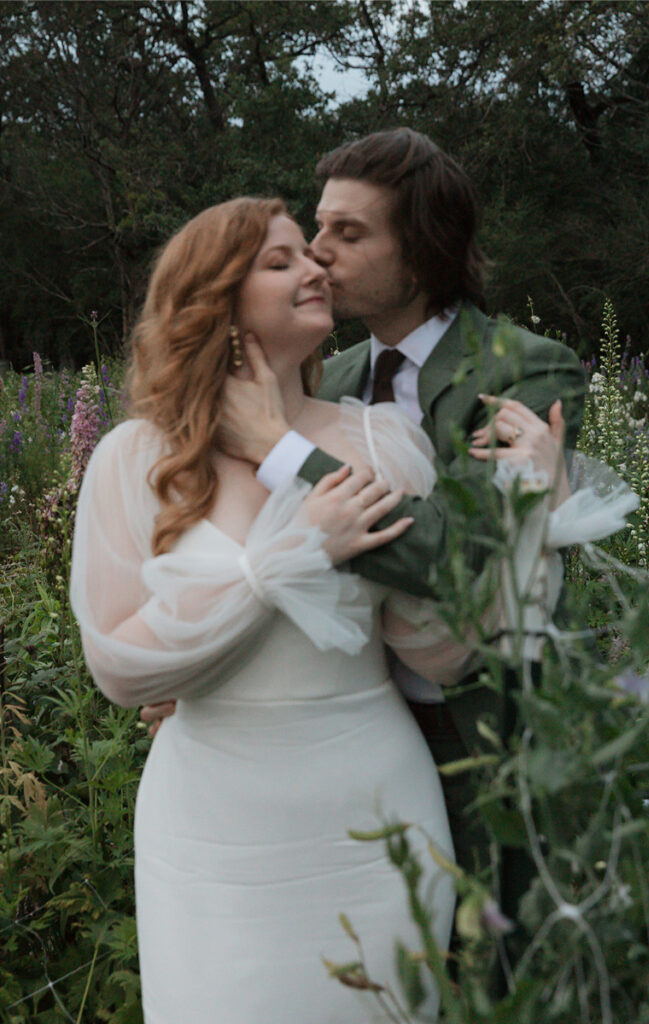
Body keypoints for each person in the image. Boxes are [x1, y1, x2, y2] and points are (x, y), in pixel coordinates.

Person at [142, 129, 587, 930]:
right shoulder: (331, 376)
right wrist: (211, 672)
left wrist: (281, 451)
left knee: (500, 970)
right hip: (347, 741)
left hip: (491, 737)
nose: (317, 255)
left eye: (349, 234)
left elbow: (457, 561)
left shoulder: (521, 368)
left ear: (419, 251)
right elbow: (268, 554)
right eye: (317, 229)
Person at [71, 197, 476, 1023]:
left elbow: (444, 653)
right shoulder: (134, 459)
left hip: (375, 810)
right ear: (215, 299)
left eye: (312, 256)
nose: (316, 269)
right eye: (281, 260)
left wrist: (455, 547)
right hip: (212, 833)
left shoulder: (383, 442)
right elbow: (119, 667)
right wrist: (293, 555)